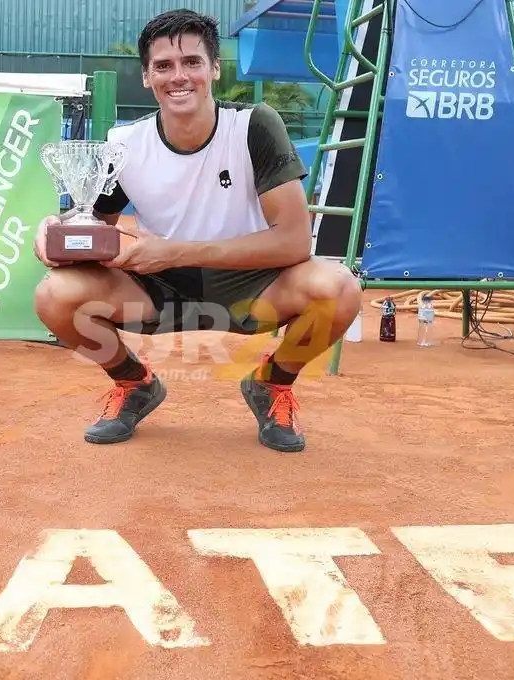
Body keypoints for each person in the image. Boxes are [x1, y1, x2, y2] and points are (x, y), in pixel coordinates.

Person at [32, 9, 363, 454]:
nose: (178, 76)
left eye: (192, 62)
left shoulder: (254, 126)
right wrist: (60, 237)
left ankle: (271, 384)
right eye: (163, 66)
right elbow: (97, 230)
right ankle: (135, 385)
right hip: (160, 289)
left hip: (255, 284)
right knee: (55, 294)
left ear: (214, 69)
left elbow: (294, 241)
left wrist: (177, 252)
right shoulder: (124, 144)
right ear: (147, 77)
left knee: (339, 290)